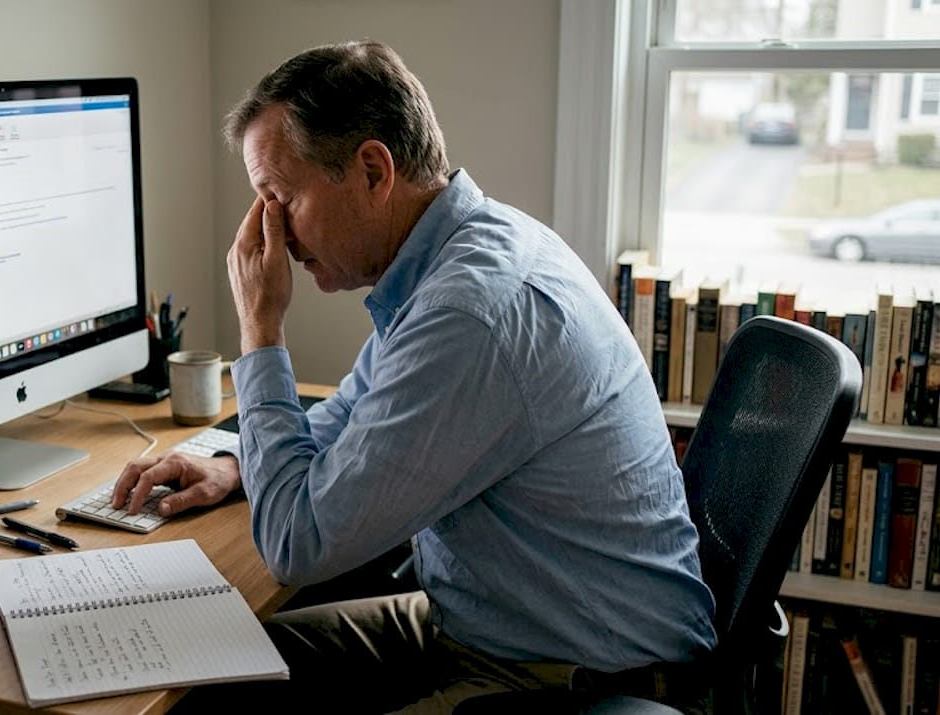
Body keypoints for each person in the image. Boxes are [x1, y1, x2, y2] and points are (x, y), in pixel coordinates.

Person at [112, 40, 716, 713]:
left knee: (216, 683)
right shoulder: (458, 255)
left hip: (569, 678)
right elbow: (349, 414)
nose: (271, 232)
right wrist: (235, 465)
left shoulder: (469, 313)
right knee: (213, 678)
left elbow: (296, 544)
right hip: (488, 627)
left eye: (278, 198)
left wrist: (261, 329)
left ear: (373, 169)